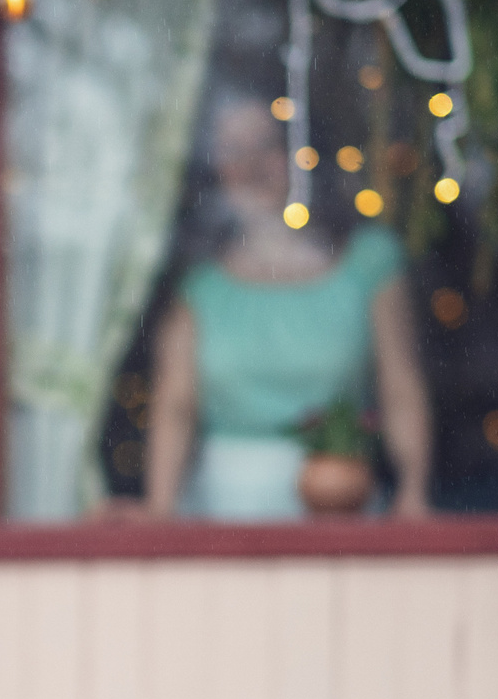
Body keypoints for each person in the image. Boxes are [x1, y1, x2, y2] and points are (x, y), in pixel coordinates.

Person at [142, 95, 433, 520]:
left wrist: (413, 493)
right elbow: (175, 405)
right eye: (232, 150)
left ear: (303, 151)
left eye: (267, 145)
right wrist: (160, 508)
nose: (251, 166)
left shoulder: (368, 262)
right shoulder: (201, 284)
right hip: (224, 507)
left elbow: (399, 383)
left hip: (339, 501)